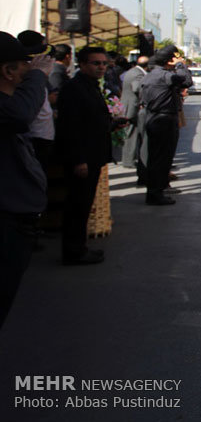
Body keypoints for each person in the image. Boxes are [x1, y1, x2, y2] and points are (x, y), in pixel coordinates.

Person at [0, 31, 53, 327]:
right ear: (8, 71)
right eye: (24, 66)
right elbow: (21, 114)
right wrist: (38, 76)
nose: (29, 73)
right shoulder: (11, 109)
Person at [55, 46, 112, 265]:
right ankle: (73, 251)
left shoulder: (90, 86)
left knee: (83, 205)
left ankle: (79, 246)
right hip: (82, 158)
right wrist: (78, 160)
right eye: (96, 63)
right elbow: (70, 128)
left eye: (104, 63)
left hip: (93, 154)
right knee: (77, 206)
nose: (101, 67)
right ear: (83, 64)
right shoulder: (74, 88)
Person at [139, 46, 191, 205]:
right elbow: (187, 81)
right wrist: (181, 65)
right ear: (169, 60)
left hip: (153, 117)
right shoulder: (166, 76)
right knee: (163, 158)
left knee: (156, 157)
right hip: (164, 120)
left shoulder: (150, 75)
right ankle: (156, 193)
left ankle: (155, 190)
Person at [17, 31, 56, 170]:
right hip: (33, 136)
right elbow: (23, 114)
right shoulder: (30, 75)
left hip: (42, 134)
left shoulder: (38, 75)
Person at [119, 55, 149, 182]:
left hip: (128, 105)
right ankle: (128, 160)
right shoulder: (138, 74)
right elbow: (137, 88)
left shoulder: (132, 71)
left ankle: (128, 159)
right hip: (132, 107)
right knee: (131, 133)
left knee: (131, 133)